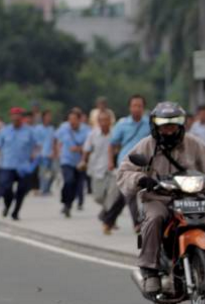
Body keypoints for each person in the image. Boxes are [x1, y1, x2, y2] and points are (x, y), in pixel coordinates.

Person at [117, 102, 205, 294]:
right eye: (164, 125)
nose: (169, 130)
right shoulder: (146, 145)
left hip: (191, 196)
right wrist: (141, 179)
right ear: (156, 126)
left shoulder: (192, 142)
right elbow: (124, 171)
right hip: (158, 197)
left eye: (173, 125)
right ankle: (150, 271)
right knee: (154, 218)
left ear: (181, 125)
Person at [101, 94, 151, 234]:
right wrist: (110, 161)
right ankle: (137, 223)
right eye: (134, 105)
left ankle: (107, 219)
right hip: (126, 164)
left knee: (123, 195)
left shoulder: (149, 124)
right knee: (130, 192)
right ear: (130, 107)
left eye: (139, 106)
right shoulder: (122, 124)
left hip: (144, 164)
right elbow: (112, 144)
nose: (137, 108)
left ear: (143, 107)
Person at [0, 107, 40, 221]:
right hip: (7, 165)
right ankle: (7, 205)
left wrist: (34, 156)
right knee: (5, 187)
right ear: (11, 117)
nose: (16, 118)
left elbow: (37, 146)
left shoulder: (30, 131)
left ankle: (16, 211)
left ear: (22, 117)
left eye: (18, 116)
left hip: (23, 166)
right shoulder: (5, 131)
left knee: (22, 190)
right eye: (14, 116)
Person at [52, 107, 90, 217]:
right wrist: (56, 151)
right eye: (70, 119)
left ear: (79, 120)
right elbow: (55, 138)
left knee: (76, 185)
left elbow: (90, 145)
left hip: (80, 162)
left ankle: (68, 205)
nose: (71, 122)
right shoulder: (64, 128)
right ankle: (65, 200)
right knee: (68, 180)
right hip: (66, 159)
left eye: (74, 119)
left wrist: (79, 149)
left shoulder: (86, 130)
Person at [82, 110, 115, 220]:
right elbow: (86, 149)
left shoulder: (115, 133)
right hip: (96, 168)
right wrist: (83, 161)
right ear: (98, 122)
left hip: (112, 169)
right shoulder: (92, 134)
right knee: (98, 197)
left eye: (106, 120)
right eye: (101, 120)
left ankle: (109, 216)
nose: (104, 123)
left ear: (110, 121)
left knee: (113, 194)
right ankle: (106, 209)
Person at [34, 111, 56, 195]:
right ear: (43, 118)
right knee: (43, 173)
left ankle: (47, 188)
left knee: (52, 173)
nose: (49, 118)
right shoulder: (38, 128)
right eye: (47, 116)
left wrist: (54, 152)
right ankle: (43, 189)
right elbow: (36, 142)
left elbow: (54, 141)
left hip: (50, 154)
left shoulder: (51, 129)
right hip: (42, 154)